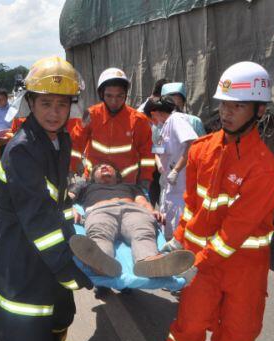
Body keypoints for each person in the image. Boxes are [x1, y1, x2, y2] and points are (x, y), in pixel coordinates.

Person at [163, 61, 274, 341]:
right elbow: (190, 207)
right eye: (224, 104)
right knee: (190, 320)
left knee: (238, 332)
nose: (227, 112)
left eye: (238, 105)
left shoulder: (265, 170)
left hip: (243, 268)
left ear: (259, 111)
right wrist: (178, 241)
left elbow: (232, 235)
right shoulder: (200, 150)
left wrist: (193, 264)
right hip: (202, 261)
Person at [0, 56, 92, 341]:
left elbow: (52, 201)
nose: (55, 112)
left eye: (62, 104)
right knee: (24, 322)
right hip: (18, 248)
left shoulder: (62, 140)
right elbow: (37, 219)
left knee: (61, 311)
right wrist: (66, 265)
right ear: (30, 103)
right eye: (46, 103)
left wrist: (72, 222)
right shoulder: (23, 147)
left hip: (50, 240)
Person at [68, 162, 195, 278]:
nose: (104, 167)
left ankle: (149, 262)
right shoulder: (85, 187)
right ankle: (101, 263)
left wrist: (152, 211)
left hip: (133, 210)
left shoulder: (130, 187)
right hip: (100, 211)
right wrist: (70, 210)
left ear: (117, 175)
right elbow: (68, 199)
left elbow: (142, 201)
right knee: (100, 233)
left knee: (143, 232)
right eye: (99, 167)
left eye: (108, 166)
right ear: (92, 176)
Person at [70, 67, 155, 186]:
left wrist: (145, 180)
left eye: (119, 96)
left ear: (125, 95)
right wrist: (72, 168)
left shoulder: (138, 121)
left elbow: (147, 155)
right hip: (93, 182)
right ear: (101, 95)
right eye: (109, 96)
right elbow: (76, 143)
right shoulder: (90, 115)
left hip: (127, 184)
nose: (114, 101)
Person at [145, 96, 198, 240]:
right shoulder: (163, 128)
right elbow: (158, 150)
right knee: (167, 225)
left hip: (180, 187)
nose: (152, 123)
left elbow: (192, 144)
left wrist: (176, 170)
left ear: (155, 112)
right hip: (168, 187)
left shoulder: (176, 120)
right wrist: (158, 162)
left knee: (179, 230)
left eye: (151, 118)